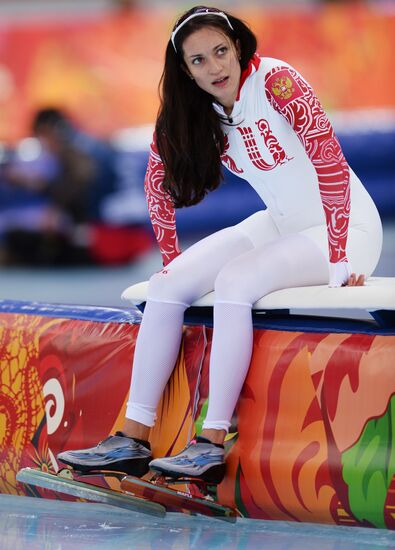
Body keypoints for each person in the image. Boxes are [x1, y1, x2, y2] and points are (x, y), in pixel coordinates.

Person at [57, 6, 382, 483]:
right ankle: (131, 437)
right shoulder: (194, 112)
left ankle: (210, 443)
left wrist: (337, 256)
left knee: (235, 281)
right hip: (282, 223)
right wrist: (172, 262)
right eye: (198, 61)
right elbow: (155, 183)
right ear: (184, 70)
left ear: (238, 47)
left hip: (348, 229)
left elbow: (330, 163)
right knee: (165, 286)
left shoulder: (278, 82)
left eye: (220, 52)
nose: (214, 68)